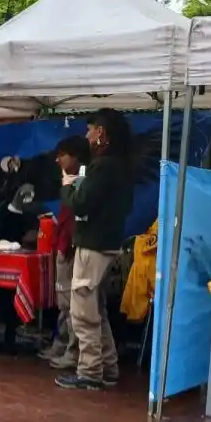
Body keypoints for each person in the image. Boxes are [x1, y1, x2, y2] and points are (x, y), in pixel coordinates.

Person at [56, 109, 135, 390]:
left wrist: (67, 186)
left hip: (93, 245)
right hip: (109, 243)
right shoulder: (122, 166)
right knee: (96, 308)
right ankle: (109, 366)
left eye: (90, 130)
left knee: (83, 310)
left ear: (101, 132)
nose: (87, 135)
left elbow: (80, 203)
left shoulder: (104, 167)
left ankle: (90, 371)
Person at [41, 135, 90, 371]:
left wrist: (68, 246)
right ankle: (61, 344)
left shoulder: (81, 182)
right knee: (63, 302)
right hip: (63, 246)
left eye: (62, 154)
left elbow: (77, 218)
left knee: (72, 305)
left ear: (76, 156)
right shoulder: (68, 181)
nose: (58, 159)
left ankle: (73, 352)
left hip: (71, 249)